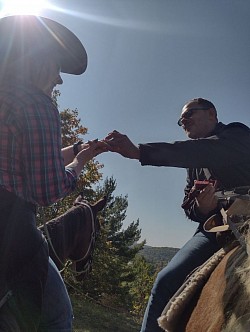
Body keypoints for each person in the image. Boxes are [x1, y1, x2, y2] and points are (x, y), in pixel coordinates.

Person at [105, 97, 250, 332]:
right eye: (180, 119)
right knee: (165, 281)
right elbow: (189, 207)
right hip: (213, 229)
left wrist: (139, 152)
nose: (183, 121)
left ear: (212, 113)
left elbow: (207, 152)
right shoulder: (192, 165)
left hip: (248, 219)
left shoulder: (237, 134)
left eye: (189, 114)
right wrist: (203, 208)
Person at [0, 15, 107, 331]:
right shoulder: (36, 104)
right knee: (57, 316)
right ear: (36, 60)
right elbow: (46, 190)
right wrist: (80, 165)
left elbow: (25, 159)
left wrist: (77, 150)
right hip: (9, 223)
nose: (59, 79)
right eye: (56, 66)